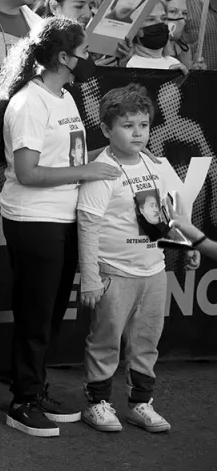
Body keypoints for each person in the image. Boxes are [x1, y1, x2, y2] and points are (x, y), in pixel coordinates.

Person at [0, 17, 120, 437]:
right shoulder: (30, 103)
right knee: (36, 313)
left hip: (61, 218)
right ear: (63, 57)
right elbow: (27, 172)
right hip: (34, 218)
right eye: (84, 53)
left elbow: (68, 157)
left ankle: (33, 386)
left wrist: (117, 150)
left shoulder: (62, 95)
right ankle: (22, 400)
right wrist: (87, 171)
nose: (91, 60)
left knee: (47, 313)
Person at [77, 84, 179, 434]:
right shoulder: (102, 170)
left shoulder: (156, 163)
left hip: (154, 270)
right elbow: (87, 225)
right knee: (106, 339)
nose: (138, 133)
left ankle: (140, 404)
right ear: (106, 129)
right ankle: (97, 403)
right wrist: (90, 277)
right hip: (114, 271)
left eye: (144, 125)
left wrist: (186, 247)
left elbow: (172, 212)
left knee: (147, 341)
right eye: (128, 125)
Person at [122, 0, 182, 70]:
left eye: (163, 18)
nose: (160, 23)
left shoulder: (175, 64)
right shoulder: (127, 65)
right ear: (135, 29)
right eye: (151, 19)